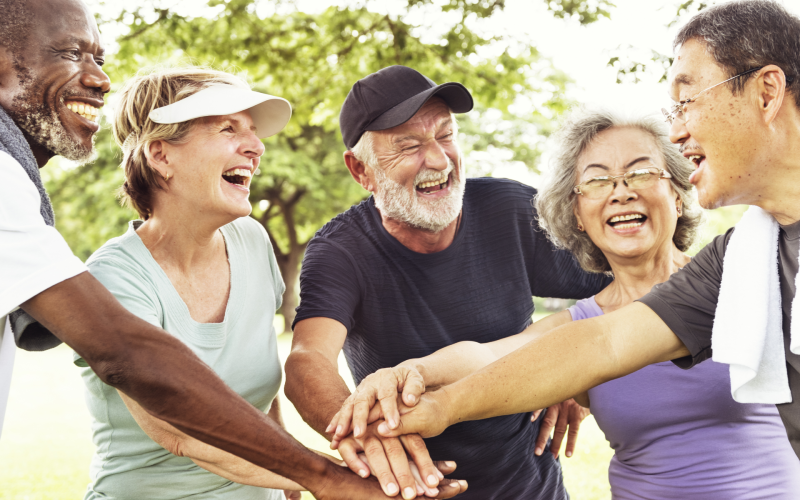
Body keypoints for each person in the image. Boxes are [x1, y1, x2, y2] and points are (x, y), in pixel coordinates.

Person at [0, 1, 444, 497]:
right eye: (229, 128)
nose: (255, 146)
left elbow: (260, 400)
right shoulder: (115, 277)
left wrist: (291, 489)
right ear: (161, 155)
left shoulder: (252, 243)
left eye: (253, 130)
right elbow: (177, 431)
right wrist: (334, 479)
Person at [343, 0, 800, 462]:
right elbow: (598, 343)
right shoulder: (740, 263)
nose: (679, 130)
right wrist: (430, 392)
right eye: (598, 182)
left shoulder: (743, 270)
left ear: (766, 92)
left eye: (687, 101)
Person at [329, 108, 800, 498]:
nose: (621, 190)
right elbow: (492, 354)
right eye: (597, 181)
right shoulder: (581, 325)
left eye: (641, 171)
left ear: (678, 194)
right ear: (577, 214)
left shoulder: (744, 276)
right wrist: (410, 372)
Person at [284, 65, 610, 500]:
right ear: (361, 171)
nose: (438, 159)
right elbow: (307, 359)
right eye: (408, 146)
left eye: (445, 135)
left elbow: (636, 282)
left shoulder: (510, 210)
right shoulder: (341, 250)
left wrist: (581, 372)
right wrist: (362, 432)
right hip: (417, 488)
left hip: (532, 488)